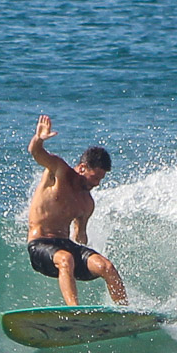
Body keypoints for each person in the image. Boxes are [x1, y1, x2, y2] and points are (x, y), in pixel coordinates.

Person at [25, 114, 128, 306]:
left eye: (101, 179)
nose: (97, 183)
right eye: (94, 177)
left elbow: (79, 235)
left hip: (65, 246)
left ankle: (125, 313)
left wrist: (86, 249)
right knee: (66, 259)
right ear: (82, 168)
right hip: (40, 245)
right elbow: (36, 153)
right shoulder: (59, 171)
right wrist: (39, 139)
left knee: (107, 267)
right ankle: (75, 312)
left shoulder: (86, 203)